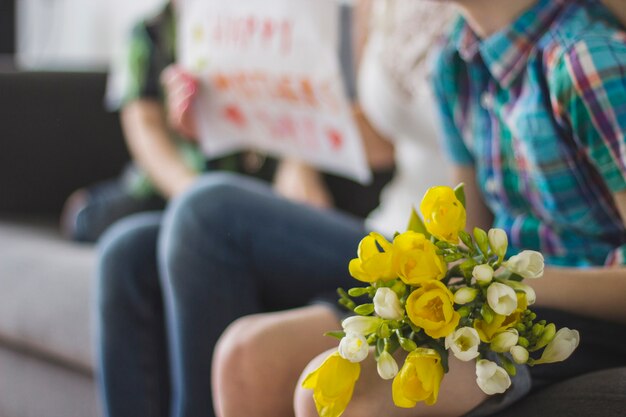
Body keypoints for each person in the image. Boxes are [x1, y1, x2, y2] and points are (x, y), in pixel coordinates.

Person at [215, 0, 626, 416]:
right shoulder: (455, 58)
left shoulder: (584, 61)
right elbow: (466, 234)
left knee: (343, 398)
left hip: (580, 314)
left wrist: (508, 280)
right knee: (246, 356)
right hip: (501, 298)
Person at [95, 1, 447, 416]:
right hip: (381, 221)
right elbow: (370, 131)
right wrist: (224, 118)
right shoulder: (378, 9)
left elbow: (390, 143)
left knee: (203, 213)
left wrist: (300, 166)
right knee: (127, 250)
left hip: (413, 244)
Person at [62, 0, 393, 242]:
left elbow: (307, 99)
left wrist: (299, 166)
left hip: (257, 181)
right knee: (91, 218)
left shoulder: (282, 25)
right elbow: (144, 127)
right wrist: (190, 192)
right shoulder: (151, 33)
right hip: (175, 180)